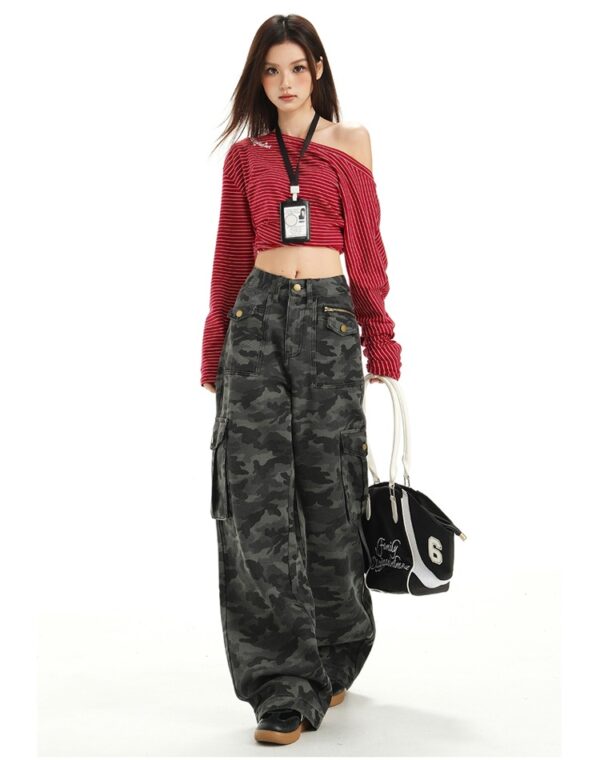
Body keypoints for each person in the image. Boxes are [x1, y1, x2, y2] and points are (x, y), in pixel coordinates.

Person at [200, 14, 403, 745]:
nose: (283, 83)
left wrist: (380, 337)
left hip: (328, 323)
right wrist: (214, 348)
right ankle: (280, 687)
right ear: (258, 79)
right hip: (255, 323)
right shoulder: (245, 158)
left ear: (317, 68)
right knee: (255, 503)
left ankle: (336, 646)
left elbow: (367, 248)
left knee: (330, 488)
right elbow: (231, 253)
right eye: (270, 71)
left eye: (295, 68)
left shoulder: (350, 144)